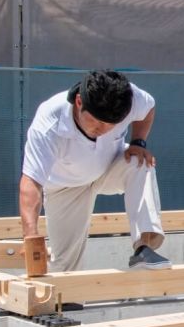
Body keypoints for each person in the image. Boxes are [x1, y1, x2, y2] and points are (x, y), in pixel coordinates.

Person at [19, 70, 171, 272]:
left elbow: (149, 107)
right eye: (98, 121)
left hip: (109, 167)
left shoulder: (128, 97)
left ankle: (144, 248)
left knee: (140, 162)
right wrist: (30, 235)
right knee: (65, 267)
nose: (104, 128)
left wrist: (138, 142)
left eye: (112, 124)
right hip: (66, 188)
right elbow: (31, 182)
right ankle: (69, 300)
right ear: (80, 102)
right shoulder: (49, 123)